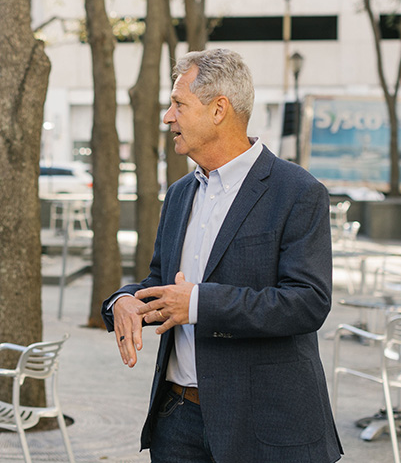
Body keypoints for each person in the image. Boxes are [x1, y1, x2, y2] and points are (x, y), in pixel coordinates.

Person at [103, 49, 342, 463]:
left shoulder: (298, 192)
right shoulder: (179, 194)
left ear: (218, 110)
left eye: (178, 105)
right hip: (177, 422)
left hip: (263, 427)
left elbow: (308, 303)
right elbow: (162, 282)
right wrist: (123, 301)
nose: (167, 117)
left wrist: (197, 303)